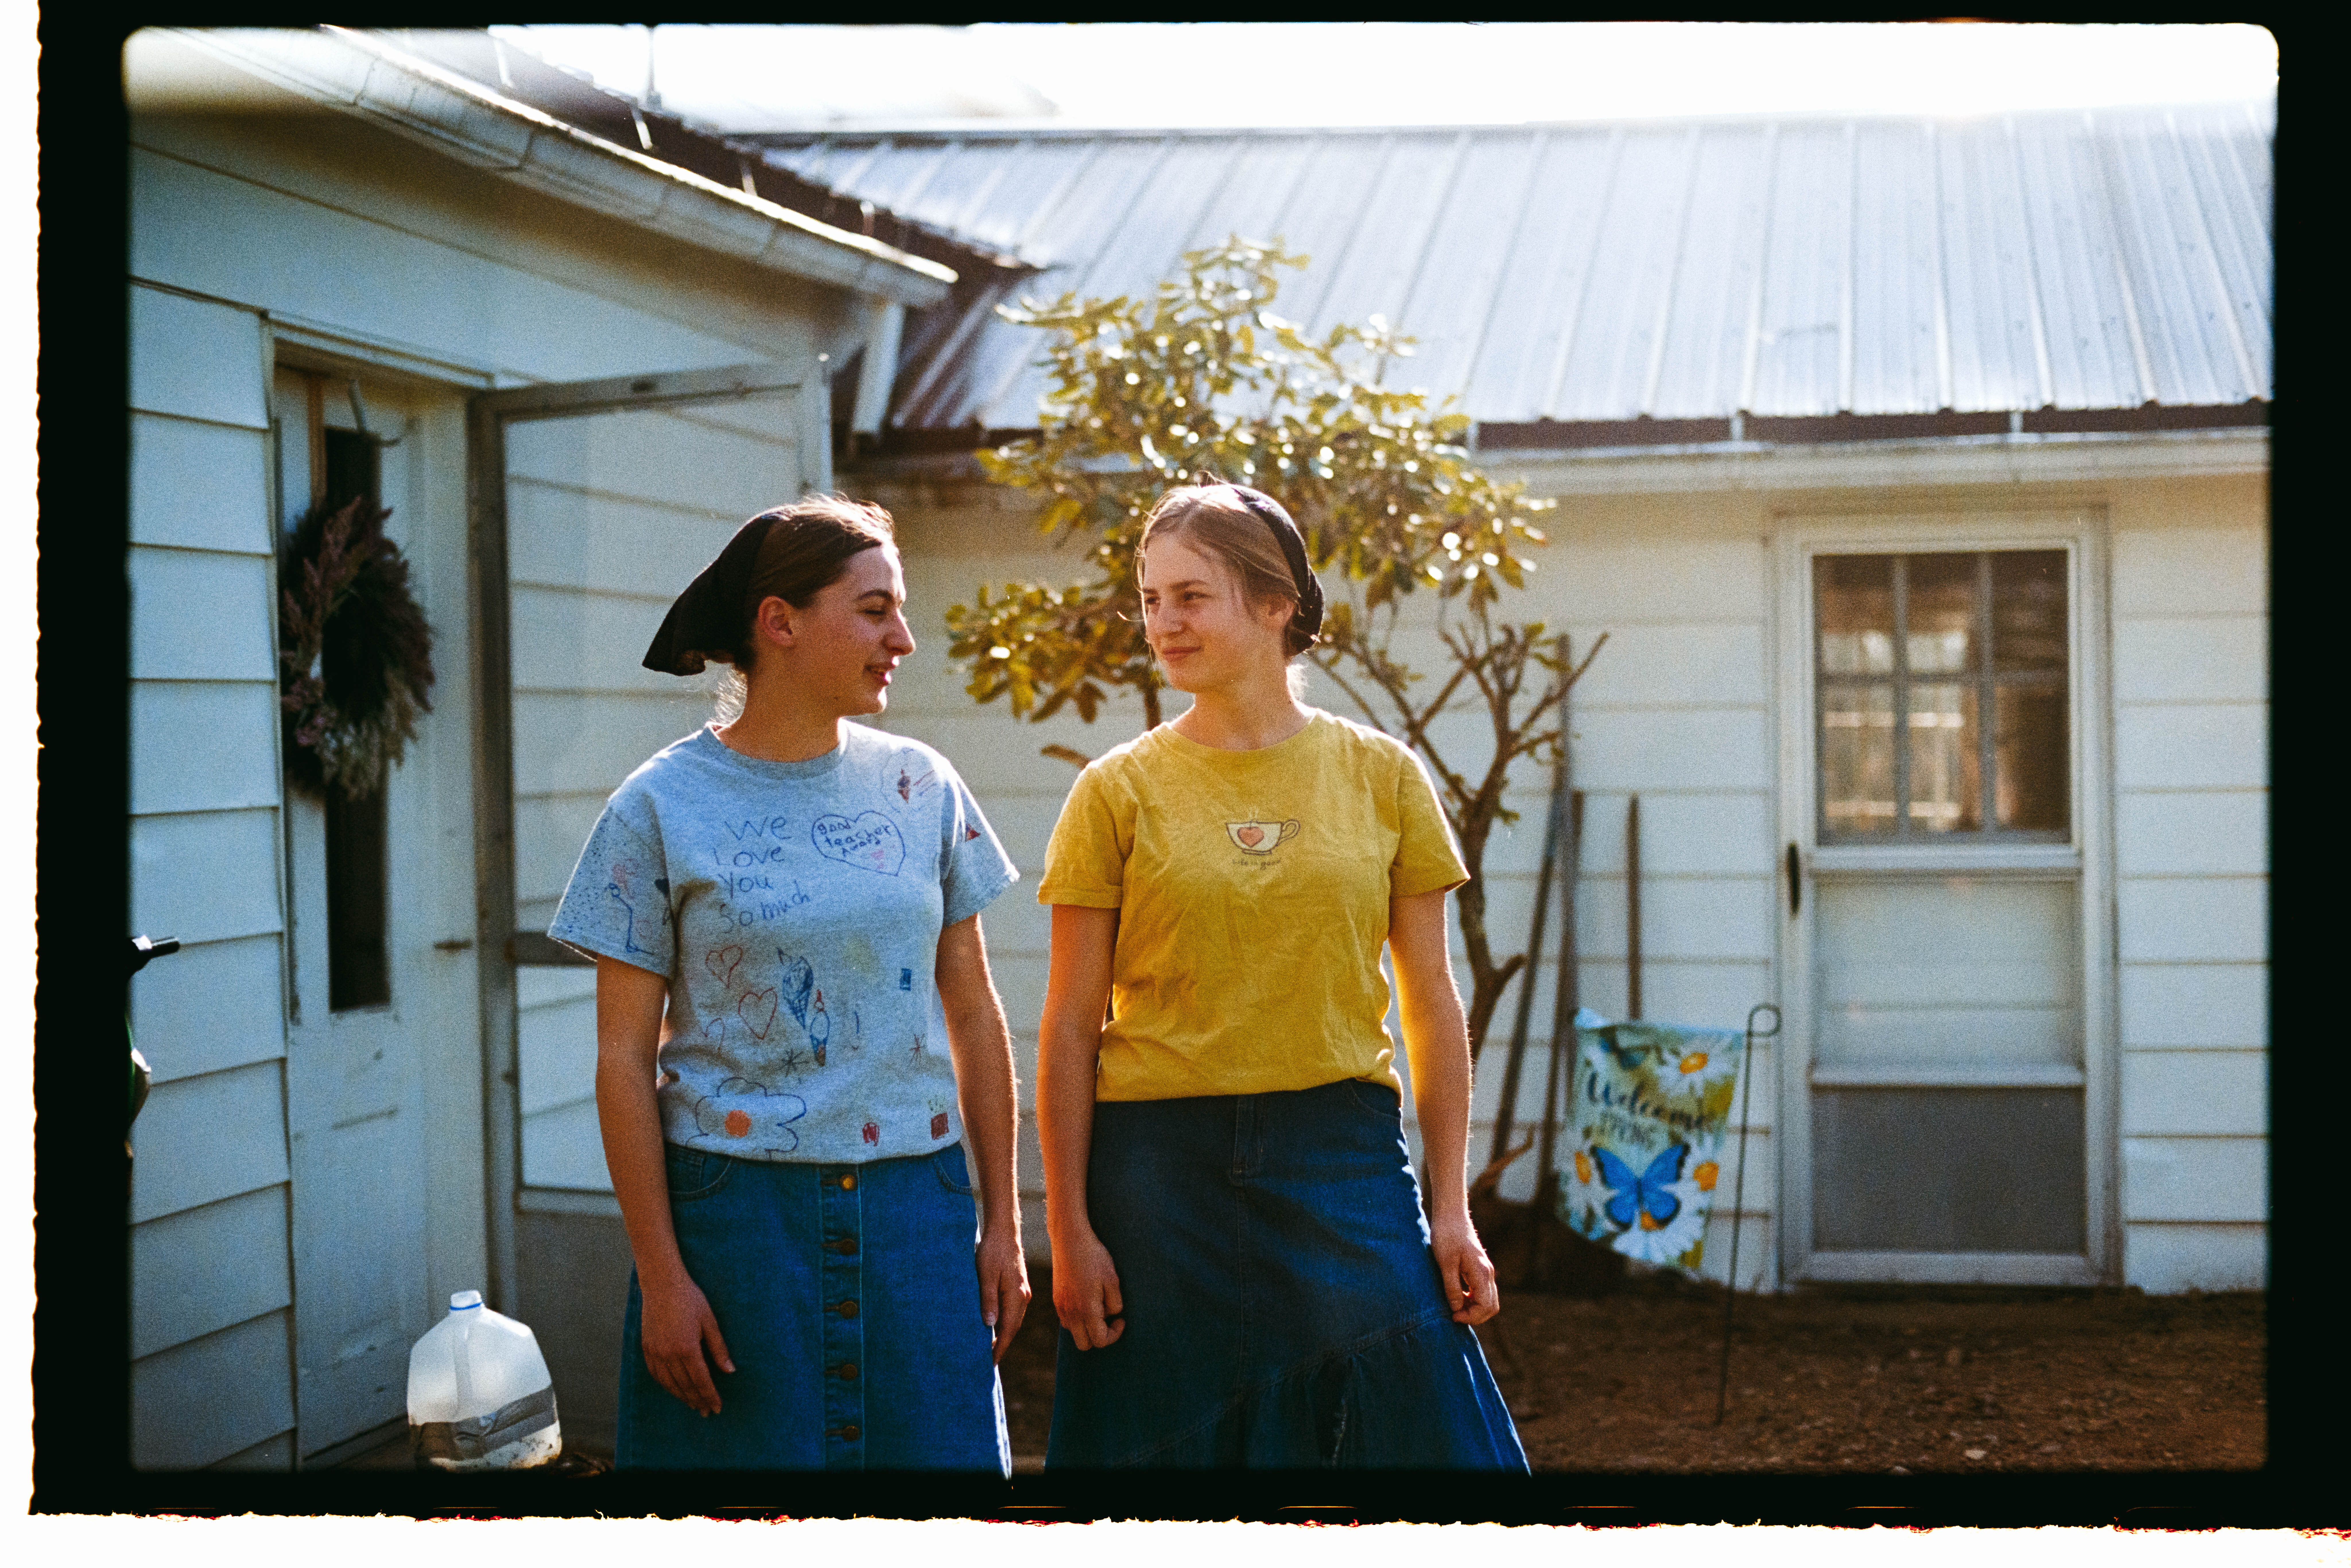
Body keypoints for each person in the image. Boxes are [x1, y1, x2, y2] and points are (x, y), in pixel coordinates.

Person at [1034, 482, 1527, 1469]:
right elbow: (1069, 1027)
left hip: (1339, 1157)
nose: (1163, 623)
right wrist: (1069, 1226)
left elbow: (1431, 1001)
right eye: (1151, 597)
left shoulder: (1383, 776)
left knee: (1422, 1437)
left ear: (1276, 606)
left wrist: (1451, 1205)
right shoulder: (1114, 791)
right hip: (1157, 1175)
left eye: (1191, 596)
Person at [549, 496, 1028, 1470]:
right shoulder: (656, 806)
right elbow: (618, 1059)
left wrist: (1004, 1223)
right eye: (874, 609)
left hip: (916, 1208)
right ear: (780, 621)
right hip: (735, 1223)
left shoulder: (923, 787)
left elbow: (976, 1016)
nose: (904, 637)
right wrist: (662, 1276)